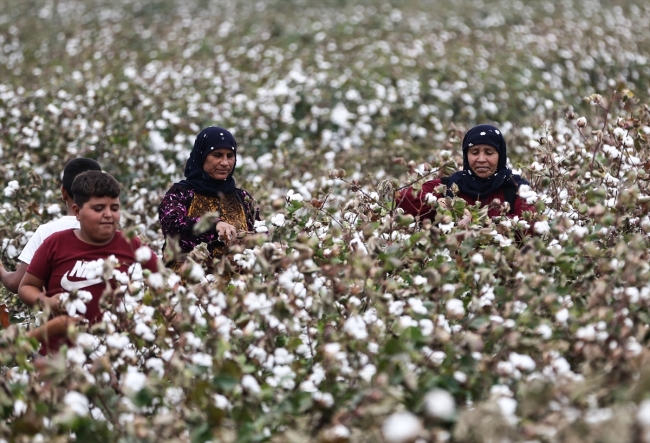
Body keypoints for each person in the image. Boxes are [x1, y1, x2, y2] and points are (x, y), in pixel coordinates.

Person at [18, 171, 159, 354]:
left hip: (116, 355)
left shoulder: (131, 244)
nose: (108, 215)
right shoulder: (55, 243)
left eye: (114, 208)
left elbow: (165, 283)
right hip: (59, 357)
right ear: (77, 211)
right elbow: (26, 287)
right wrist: (47, 302)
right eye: (98, 209)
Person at [159, 126, 259, 271]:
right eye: (217, 155)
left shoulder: (242, 198)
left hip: (236, 286)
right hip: (187, 282)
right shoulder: (181, 193)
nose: (225, 163)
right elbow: (172, 226)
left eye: (230, 156)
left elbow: (259, 234)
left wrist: (271, 248)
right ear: (202, 155)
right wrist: (213, 224)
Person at [0, 158, 102, 294]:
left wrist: (1, 270)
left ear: (63, 193)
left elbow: (16, 283)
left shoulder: (47, 232)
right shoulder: (115, 231)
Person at [397, 124, 535, 221]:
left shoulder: (515, 188)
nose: (481, 159)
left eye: (489, 152)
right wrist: (434, 203)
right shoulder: (449, 185)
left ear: (500, 156)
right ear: (466, 156)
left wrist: (486, 223)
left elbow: (531, 224)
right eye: (474, 152)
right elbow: (400, 199)